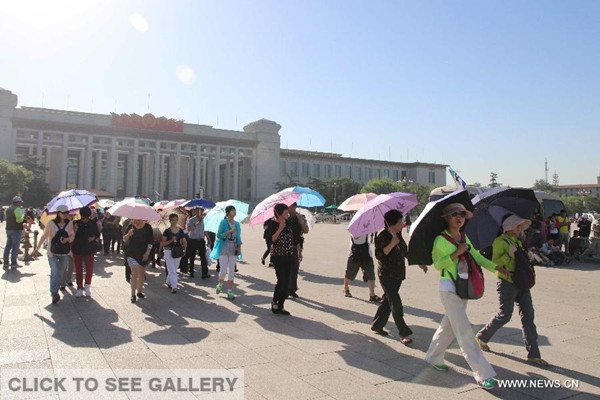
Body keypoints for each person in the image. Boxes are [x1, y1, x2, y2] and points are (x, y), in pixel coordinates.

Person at [424, 203, 509, 390]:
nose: (459, 217)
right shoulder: (440, 240)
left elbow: (477, 257)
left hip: (463, 288)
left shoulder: (464, 237)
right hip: (448, 288)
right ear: (447, 218)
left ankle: (433, 356)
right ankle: (483, 374)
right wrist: (457, 253)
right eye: (454, 214)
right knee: (465, 331)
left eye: (462, 214)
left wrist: (497, 268)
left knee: (448, 326)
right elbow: (438, 264)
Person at [477, 214, 548, 366]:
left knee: (528, 317)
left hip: (522, 282)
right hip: (507, 282)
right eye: (517, 225)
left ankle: (533, 354)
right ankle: (482, 337)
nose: (519, 228)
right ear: (509, 226)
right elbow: (496, 262)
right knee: (504, 315)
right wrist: (509, 255)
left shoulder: (517, 241)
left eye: (520, 226)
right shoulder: (499, 242)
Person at [371, 210, 426, 344]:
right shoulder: (382, 236)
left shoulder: (398, 235)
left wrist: (419, 263)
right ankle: (403, 333)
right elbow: (379, 255)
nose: (403, 224)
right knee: (395, 302)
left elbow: (405, 252)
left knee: (388, 301)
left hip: (398, 273)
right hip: (386, 274)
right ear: (392, 223)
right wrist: (391, 244)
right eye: (400, 221)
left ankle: (377, 325)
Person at [33, 205, 74, 304]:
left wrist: (67, 239)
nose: (65, 215)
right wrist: (36, 249)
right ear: (58, 213)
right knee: (55, 272)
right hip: (52, 252)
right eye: (63, 213)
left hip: (64, 252)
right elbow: (44, 236)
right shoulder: (51, 223)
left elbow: (72, 235)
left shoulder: (69, 223)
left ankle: (58, 287)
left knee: (61, 272)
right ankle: (54, 293)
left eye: (67, 212)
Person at [264, 203, 295, 315]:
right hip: (278, 256)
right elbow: (271, 240)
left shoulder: (288, 223)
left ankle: (281, 305)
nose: (288, 213)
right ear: (280, 213)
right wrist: (280, 229)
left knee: (286, 282)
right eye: (286, 211)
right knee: (281, 280)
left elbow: (293, 238)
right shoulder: (271, 224)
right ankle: (275, 302)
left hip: (288, 255)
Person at [211, 205, 242, 300]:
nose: (234, 212)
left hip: (233, 248)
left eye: (235, 210)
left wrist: (239, 247)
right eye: (232, 210)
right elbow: (219, 235)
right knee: (223, 270)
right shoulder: (223, 222)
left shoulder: (237, 224)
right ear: (228, 212)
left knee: (232, 271)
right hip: (224, 248)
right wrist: (229, 231)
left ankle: (230, 291)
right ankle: (220, 284)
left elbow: (238, 237)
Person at [71, 206, 100, 297]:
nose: (85, 220)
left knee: (89, 268)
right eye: (83, 218)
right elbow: (71, 236)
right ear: (81, 216)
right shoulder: (75, 223)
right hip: (77, 248)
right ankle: (79, 287)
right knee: (78, 269)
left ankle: (87, 285)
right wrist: (74, 231)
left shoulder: (93, 223)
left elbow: (97, 234)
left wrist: (93, 238)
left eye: (87, 218)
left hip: (89, 248)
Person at [343, 234, 382, 302]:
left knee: (371, 274)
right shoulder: (354, 229)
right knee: (350, 274)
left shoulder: (367, 228)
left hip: (366, 253)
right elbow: (355, 237)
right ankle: (346, 288)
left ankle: (372, 294)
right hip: (354, 254)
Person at [123, 219, 154, 303]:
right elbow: (124, 239)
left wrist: (147, 253)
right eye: (135, 220)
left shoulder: (147, 227)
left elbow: (150, 242)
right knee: (134, 273)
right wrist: (129, 234)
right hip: (131, 253)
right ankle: (133, 294)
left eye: (138, 220)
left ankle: (139, 291)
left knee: (142, 273)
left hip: (143, 254)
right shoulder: (130, 226)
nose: (136, 222)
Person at [287, 203, 309, 298]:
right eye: (289, 207)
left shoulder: (300, 217)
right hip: (286, 245)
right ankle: (286, 289)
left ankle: (292, 289)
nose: (290, 208)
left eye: (292, 206)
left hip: (297, 244)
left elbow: (306, 230)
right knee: (286, 269)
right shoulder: (285, 217)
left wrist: (301, 222)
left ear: (295, 207)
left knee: (295, 268)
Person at [162, 213, 187, 294]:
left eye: (176, 220)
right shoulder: (167, 231)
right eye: (173, 220)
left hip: (178, 251)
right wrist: (171, 240)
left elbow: (184, 241)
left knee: (174, 268)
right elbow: (163, 243)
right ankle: (174, 286)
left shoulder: (180, 231)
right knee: (172, 270)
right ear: (170, 221)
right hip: (168, 251)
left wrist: (185, 250)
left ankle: (168, 281)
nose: (174, 221)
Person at [185, 207, 210, 279]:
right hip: (193, 240)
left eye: (201, 211)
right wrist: (196, 224)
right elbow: (189, 229)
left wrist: (208, 238)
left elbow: (205, 230)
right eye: (198, 211)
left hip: (201, 240)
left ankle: (204, 273)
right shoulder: (191, 220)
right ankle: (191, 271)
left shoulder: (204, 220)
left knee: (203, 257)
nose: (199, 212)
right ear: (195, 211)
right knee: (192, 256)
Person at [4, 196, 25, 268]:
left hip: (8, 229)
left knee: (8, 246)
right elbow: (18, 220)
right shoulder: (17, 209)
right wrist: (23, 218)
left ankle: (6, 262)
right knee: (15, 247)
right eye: (20, 202)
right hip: (16, 229)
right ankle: (14, 263)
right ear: (17, 202)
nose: (20, 204)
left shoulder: (8, 209)